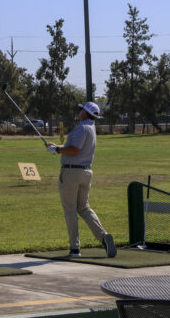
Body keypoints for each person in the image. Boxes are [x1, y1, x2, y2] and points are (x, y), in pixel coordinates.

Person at [47, 101, 117, 258]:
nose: (79, 111)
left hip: (71, 173)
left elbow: (74, 150)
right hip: (86, 173)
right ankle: (103, 236)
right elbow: (72, 148)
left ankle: (74, 249)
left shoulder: (82, 128)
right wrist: (57, 147)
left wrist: (58, 150)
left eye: (81, 110)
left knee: (70, 210)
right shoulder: (91, 129)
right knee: (84, 208)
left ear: (86, 113)